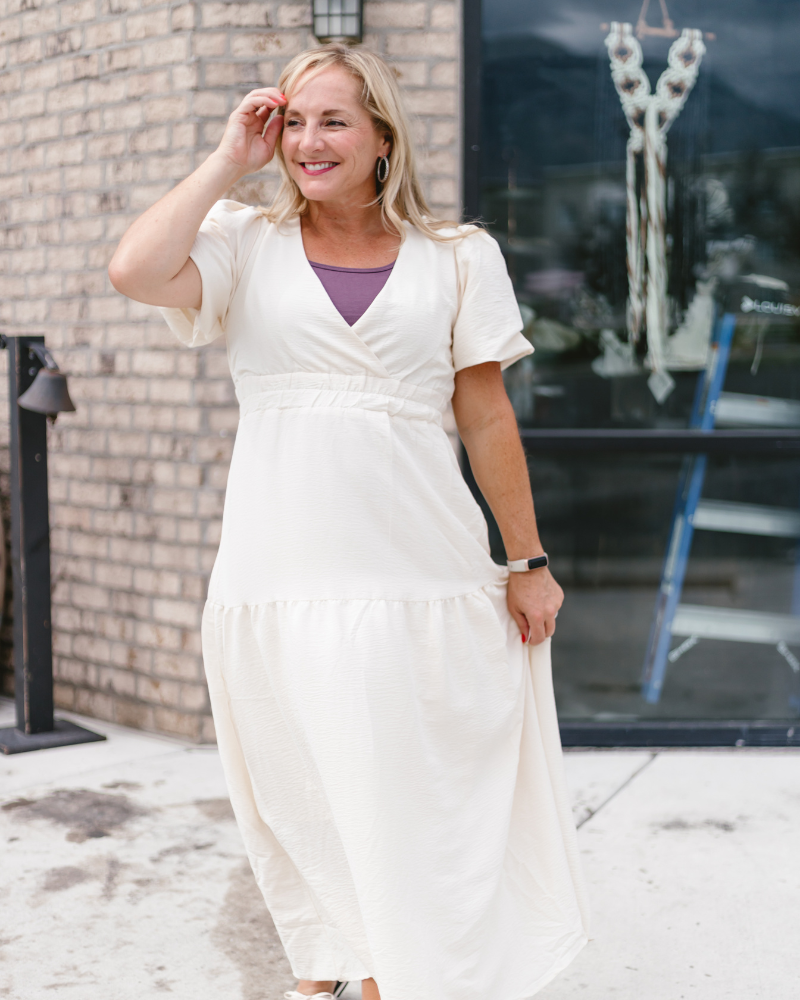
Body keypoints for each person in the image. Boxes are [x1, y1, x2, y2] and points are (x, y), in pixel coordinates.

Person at [109, 42, 589, 1000]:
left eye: (333, 120)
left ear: (381, 137)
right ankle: (341, 963)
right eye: (293, 120)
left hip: (424, 567)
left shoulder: (460, 256)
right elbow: (133, 269)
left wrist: (527, 557)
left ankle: (388, 975)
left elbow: (486, 415)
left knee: (415, 786)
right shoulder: (244, 241)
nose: (308, 140)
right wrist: (221, 161)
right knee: (309, 783)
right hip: (283, 572)